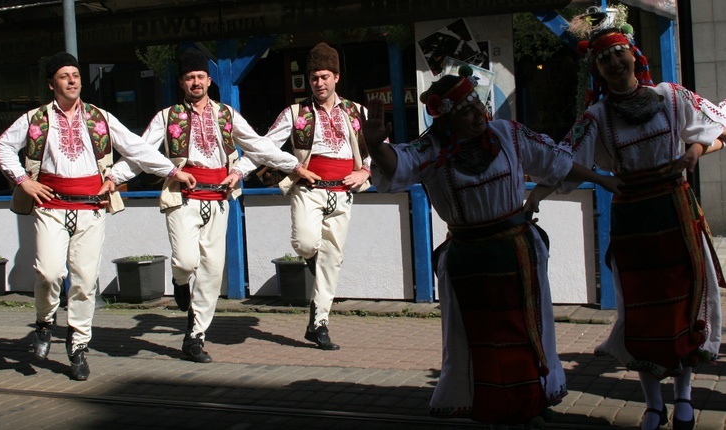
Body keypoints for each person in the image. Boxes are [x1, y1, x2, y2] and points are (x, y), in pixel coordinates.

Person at [361, 67, 623, 428]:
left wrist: (600, 178)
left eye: (478, 106)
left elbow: (557, 162)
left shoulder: (508, 134)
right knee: (478, 341)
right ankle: (493, 408)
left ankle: (535, 401)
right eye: (467, 111)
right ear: (447, 119)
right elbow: (398, 163)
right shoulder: (433, 148)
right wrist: (376, 146)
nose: (479, 115)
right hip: (470, 262)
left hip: (518, 253)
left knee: (531, 331)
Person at [559, 23, 726, 430]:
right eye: (604, 58)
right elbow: (562, 160)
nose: (614, 62)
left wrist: (694, 151)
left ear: (635, 55)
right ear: (596, 69)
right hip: (633, 217)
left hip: (675, 210)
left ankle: (683, 398)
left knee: (684, 305)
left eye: (619, 53)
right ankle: (654, 405)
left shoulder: (671, 96)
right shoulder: (596, 116)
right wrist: (601, 179)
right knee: (642, 311)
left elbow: (717, 129)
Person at [0, 51, 196, 381]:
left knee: (86, 281)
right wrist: (24, 181)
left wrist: (172, 170)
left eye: (75, 74)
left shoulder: (99, 117)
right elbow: (2, 146)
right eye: (64, 76)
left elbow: (137, 148)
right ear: (51, 83)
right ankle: (45, 321)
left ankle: (78, 345)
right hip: (51, 206)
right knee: (48, 272)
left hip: (91, 207)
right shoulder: (36, 118)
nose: (72, 80)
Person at [110, 49, 319, 363]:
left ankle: (194, 336)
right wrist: (115, 175)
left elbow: (259, 145)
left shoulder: (227, 115)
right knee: (184, 261)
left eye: (200, 77)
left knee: (210, 270)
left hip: (219, 199)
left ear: (209, 80)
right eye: (190, 78)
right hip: (182, 197)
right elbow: (140, 152)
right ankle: (180, 283)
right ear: (182, 83)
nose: (196, 82)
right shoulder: (167, 117)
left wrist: (291, 166)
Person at [257, 42, 372, 351]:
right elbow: (265, 146)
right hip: (308, 188)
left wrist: (365, 172)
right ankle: (314, 261)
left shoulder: (356, 111)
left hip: (343, 191)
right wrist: (292, 166)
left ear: (336, 77)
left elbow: (379, 146)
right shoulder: (296, 112)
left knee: (332, 259)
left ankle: (318, 324)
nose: (319, 83)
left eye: (324, 77)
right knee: (306, 243)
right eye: (313, 78)